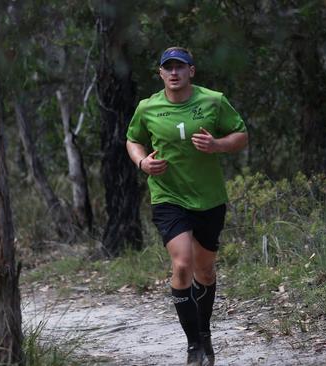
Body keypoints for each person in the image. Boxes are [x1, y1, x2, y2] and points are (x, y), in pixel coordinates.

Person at [126, 47, 248, 366]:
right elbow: (133, 140)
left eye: (181, 67)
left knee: (204, 270)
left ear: (191, 71)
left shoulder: (213, 100)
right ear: (161, 74)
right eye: (169, 68)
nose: (174, 73)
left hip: (208, 198)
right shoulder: (147, 107)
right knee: (182, 264)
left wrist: (218, 145)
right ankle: (193, 345)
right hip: (168, 196)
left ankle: (205, 335)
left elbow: (241, 135)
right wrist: (142, 162)